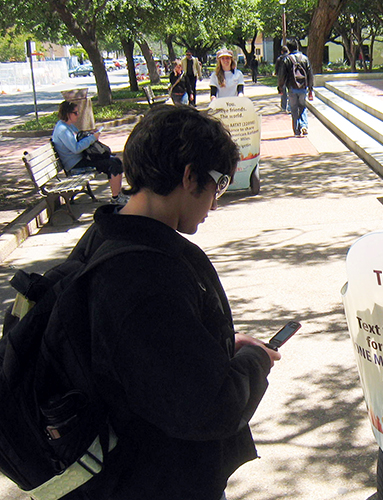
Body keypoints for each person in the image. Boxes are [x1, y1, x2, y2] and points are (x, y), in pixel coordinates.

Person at [62, 105, 281, 500]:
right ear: (189, 176)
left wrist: (218, 347)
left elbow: (149, 359)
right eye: (218, 183)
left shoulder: (106, 237)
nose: (215, 202)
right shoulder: (144, 276)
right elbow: (210, 409)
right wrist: (256, 362)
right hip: (151, 479)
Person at [52, 100, 127, 204]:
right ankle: (116, 198)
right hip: (75, 165)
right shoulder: (62, 130)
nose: (78, 115)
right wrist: (92, 138)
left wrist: (89, 133)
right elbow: (76, 148)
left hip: (82, 159)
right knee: (112, 164)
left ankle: (118, 195)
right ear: (68, 114)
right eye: (75, 113)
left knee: (116, 161)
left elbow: (79, 135)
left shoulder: (69, 125)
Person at [277, 40, 313, 137]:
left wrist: (280, 87)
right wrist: (310, 88)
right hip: (303, 87)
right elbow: (310, 74)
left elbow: (282, 75)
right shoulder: (305, 58)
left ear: (289, 48)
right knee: (302, 106)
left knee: (294, 108)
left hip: (292, 87)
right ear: (297, 46)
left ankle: (297, 130)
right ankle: (304, 125)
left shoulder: (287, 59)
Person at [275, 46, 290, 113]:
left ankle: (283, 107)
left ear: (282, 52)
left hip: (282, 78)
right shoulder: (290, 58)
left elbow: (276, 69)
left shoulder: (279, 59)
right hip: (289, 77)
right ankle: (289, 108)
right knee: (291, 93)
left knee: (283, 93)